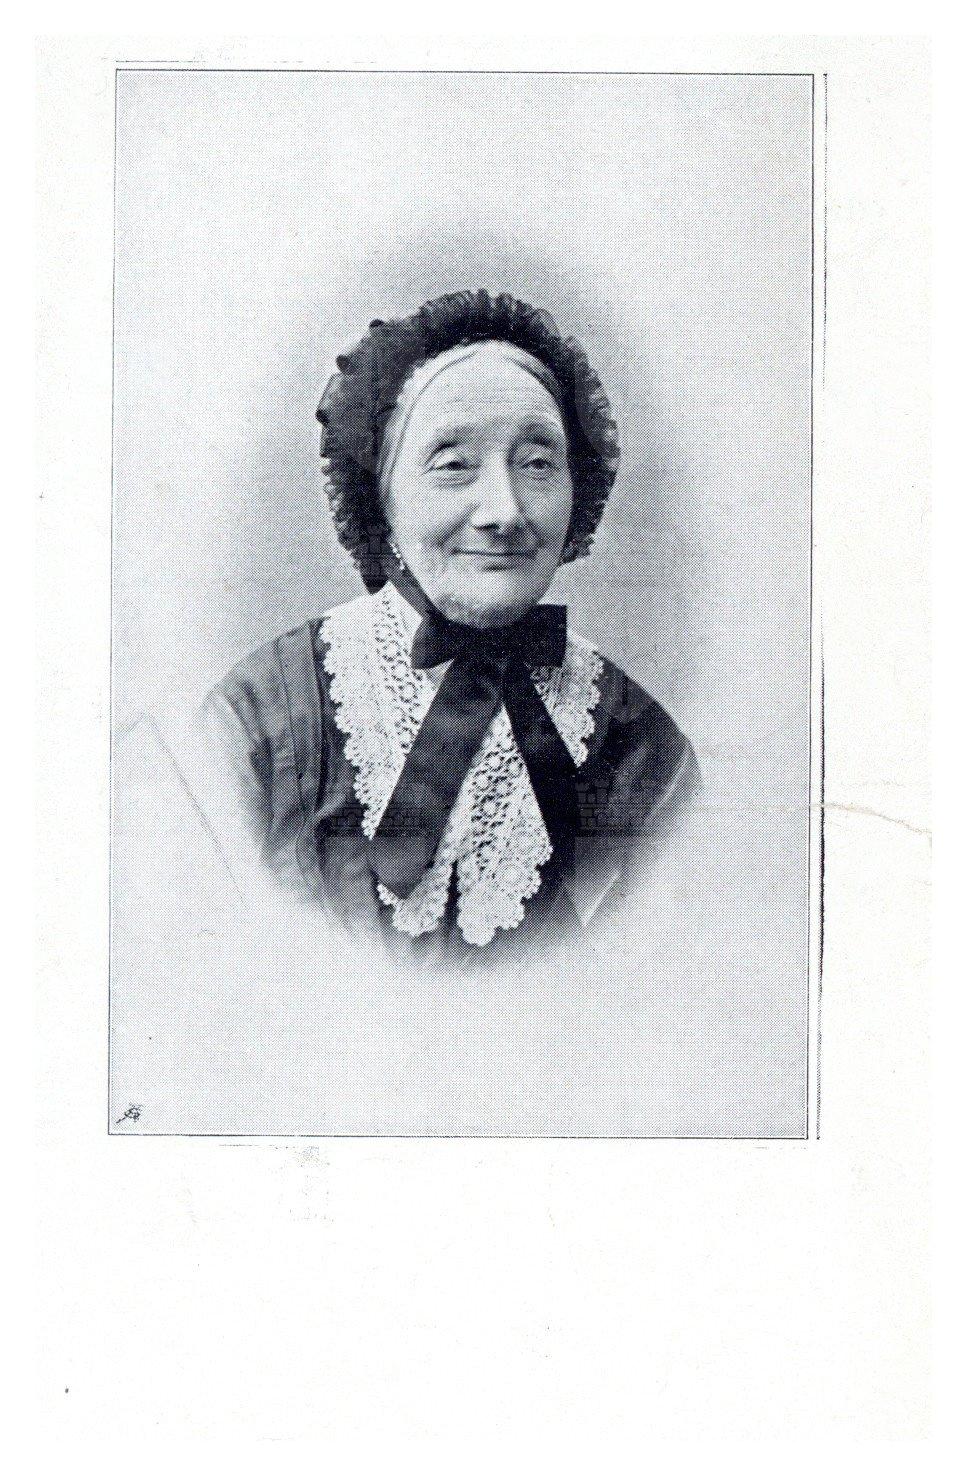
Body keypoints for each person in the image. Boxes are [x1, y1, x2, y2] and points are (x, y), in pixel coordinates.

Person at [200, 290, 699, 964]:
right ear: (381, 498)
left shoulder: (643, 746)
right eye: (454, 464)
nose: (504, 511)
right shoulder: (257, 718)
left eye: (537, 463)